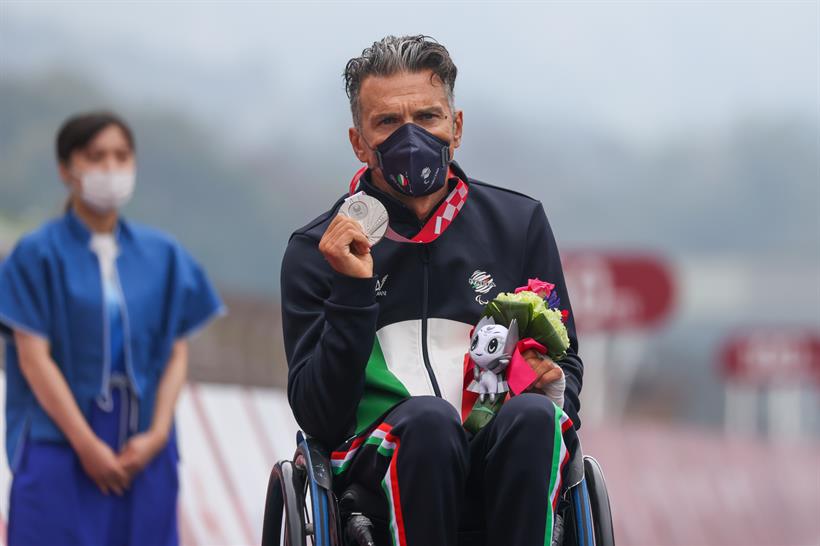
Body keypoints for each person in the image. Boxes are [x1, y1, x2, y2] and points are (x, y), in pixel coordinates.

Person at [281, 35, 583, 545]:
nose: (411, 136)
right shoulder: (318, 249)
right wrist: (352, 290)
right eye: (387, 122)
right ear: (359, 142)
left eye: (427, 117)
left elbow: (566, 364)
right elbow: (321, 418)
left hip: (500, 453)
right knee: (429, 422)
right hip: (380, 463)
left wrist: (550, 385)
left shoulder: (518, 224)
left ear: (455, 127)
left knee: (536, 417)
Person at [0, 111, 224, 545]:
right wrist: (86, 444)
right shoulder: (36, 254)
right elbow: (33, 359)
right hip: (58, 441)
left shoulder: (163, 255)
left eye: (121, 156)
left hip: (144, 449)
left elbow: (176, 352)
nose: (110, 167)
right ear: (66, 169)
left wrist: (157, 434)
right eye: (95, 156)